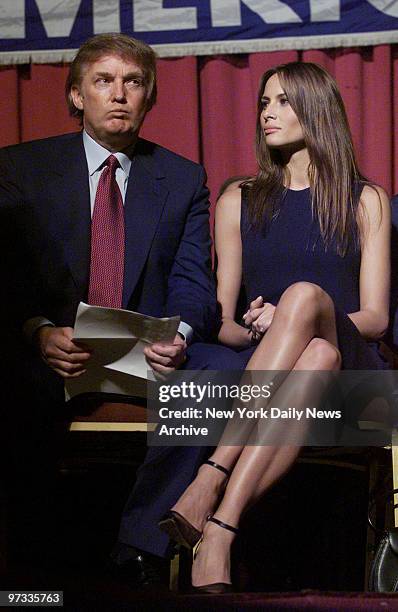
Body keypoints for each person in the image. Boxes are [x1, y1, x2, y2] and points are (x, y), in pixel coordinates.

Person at [0, 33, 243, 588]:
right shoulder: (23, 168)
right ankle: (31, 574)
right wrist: (36, 330)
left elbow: (193, 285)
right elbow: (5, 278)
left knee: (223, 371)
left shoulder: (181, 179)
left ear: (148, 97)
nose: (118, 94)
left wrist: (177, 335)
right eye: (103, 81)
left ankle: (139, 549)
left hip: (146, 357)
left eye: (132, 83)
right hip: (53, 354)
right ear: (76, 96)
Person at [159, 61, 391, 592]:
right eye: (264, 102)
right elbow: (223, 323)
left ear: (317, 109)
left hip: (356, 363)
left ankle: (209, 476)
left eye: (283, 101)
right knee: (314, 359)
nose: (268, 112)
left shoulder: (365, 200)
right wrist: (264, 329)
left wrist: (293, 313)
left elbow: (375, 319)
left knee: (306, 299)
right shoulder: (237, 198)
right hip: (291, 365)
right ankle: (220, 531)